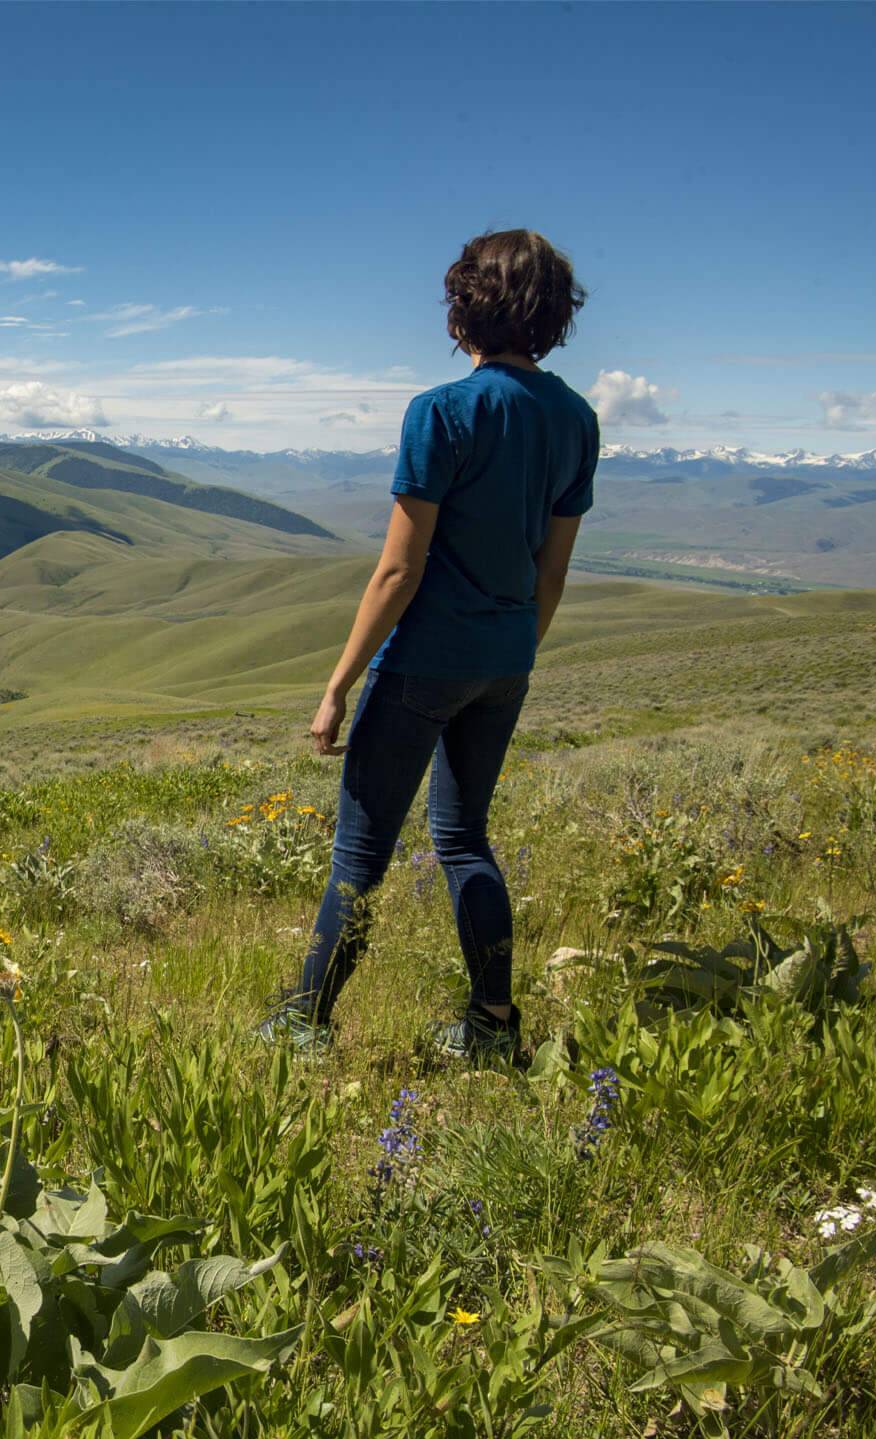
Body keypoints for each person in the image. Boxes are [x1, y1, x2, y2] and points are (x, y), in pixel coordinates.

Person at [260, 228, 599, 1062]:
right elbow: (552, 571)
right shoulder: (577, 419)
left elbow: (396, 571)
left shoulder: (442, 413)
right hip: (507, 657)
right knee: (463, 839)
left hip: (422, 661)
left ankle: (306, 1020)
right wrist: (512, 649)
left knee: (361, 852)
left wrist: (338, 685)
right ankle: (492, 1026)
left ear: (464, 312)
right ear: (552, 317)